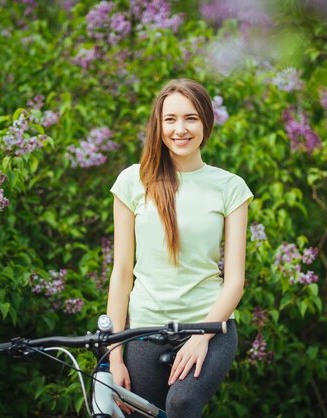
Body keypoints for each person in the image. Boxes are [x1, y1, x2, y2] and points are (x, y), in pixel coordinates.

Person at [107, 78, 253, 417]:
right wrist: (114, 355)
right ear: (158, 125)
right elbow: (121, 273)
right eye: (170, 119)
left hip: (208, 326)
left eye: (191, 118)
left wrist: (202, 335)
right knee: (140, 413)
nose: (180, 129)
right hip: (144, 329)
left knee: (182, 404)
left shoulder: (230, 187)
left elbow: (234, 280)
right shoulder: (132, 181)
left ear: (206, 122)